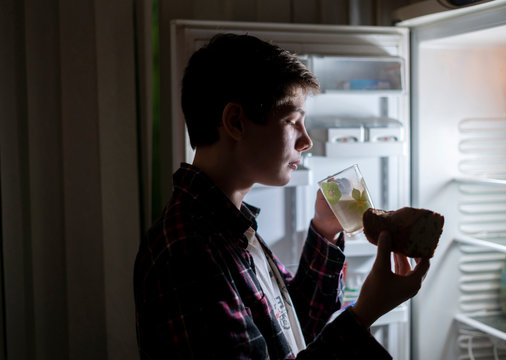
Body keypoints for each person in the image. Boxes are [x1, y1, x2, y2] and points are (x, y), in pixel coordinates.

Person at [133, 33, 430, 359]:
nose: (306, 141)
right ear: (235, 122)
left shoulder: (230, 227)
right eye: (292, 120)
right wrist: (365, 313)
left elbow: (291, 326)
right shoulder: (188, 253)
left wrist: (325, 231)